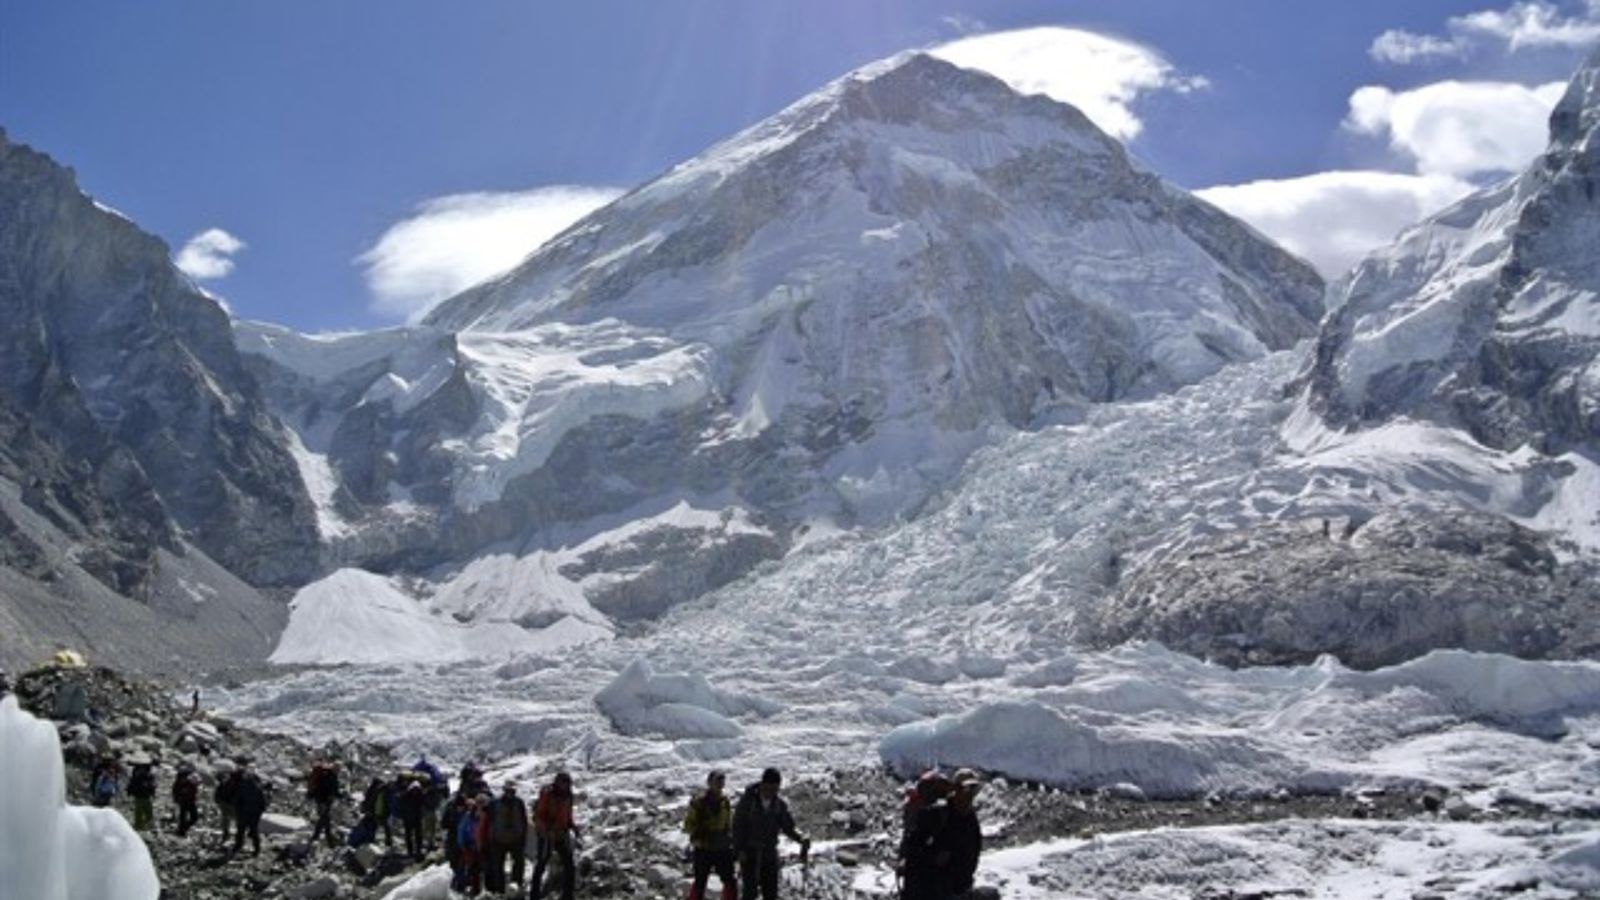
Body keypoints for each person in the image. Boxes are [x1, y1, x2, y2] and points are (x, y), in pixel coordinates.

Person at [731, 768, 810, 900]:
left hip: (769, 854)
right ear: (762, 784)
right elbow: (737, 826)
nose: (772, 792)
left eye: (775, 789)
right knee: (750, 892)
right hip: (750, 854)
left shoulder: (779, 805)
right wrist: (739, 850)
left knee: (771, 892)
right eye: (769, 788)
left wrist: (801, 838)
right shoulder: (748, 802)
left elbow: (788, 827)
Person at [684, 769, 736, 900]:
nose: (720, 783)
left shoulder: (725, 802)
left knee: (729, 880)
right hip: (704, 846)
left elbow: (728, 824)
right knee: (701, 882)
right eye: (717, 780)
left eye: (722, 780)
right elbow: (688, 824)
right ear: (709, 783)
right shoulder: (699, 803)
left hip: (722, 846)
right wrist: (697, 838)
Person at [530, 772, 578, 900]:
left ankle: (568, 895)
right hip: (547, 835)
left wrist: (572, 826)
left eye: (567, 783)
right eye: (564, 783)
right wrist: (545, 830)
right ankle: (534, 895)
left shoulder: (568, 796)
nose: (566, 786)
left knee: (569, 865)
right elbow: (539, 815)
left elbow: (568, 815)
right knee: (541, 864)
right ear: (557, 782)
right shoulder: (548, 795)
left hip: (561, 834)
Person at [945, 770, 984, 899]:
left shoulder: (970, 816)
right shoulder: (942, 814)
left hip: (963, 886)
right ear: (956, 789)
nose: (970, 794)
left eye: (973, 789)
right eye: (967, 788)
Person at [486, 781, 529, 893]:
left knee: (519, 863)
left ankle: (516, 886)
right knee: (498, 866)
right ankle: (499, 890)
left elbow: (523, 821)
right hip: (498, 839)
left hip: (515, 839)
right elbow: (489, 821)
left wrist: (523, 836)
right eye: (509, 790)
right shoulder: (494, 803)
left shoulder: (519, 803)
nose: (511, 793)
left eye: (512, 791)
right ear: (504, 791)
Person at [232, 763, 269, 856]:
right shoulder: (258, 788)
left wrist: (238, 812)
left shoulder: (242, 787)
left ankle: (238, 846)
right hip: (254, 814)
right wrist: (259, 813)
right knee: (254, 832)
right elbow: (263, 803)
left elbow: (237, 801)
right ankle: (257, 849)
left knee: (240, 831)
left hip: (244, 813)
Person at [454, 795, 486, 896]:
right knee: (466, 867)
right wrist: (462, 845)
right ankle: (460, 887)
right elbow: (461, 830)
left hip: (480, 846)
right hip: (469, 845)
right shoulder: (468, 816)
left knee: (477, 869)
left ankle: (476, 890)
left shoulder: (485, 815)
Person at [307, 760, 342, 847]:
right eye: (337, 768)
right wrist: (322, 802)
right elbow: (324, 790)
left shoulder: (331, 776)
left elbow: (334, 791)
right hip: (323, 802)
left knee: (324, 820)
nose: (338, 770)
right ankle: (327, 840)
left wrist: (340, 795)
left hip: (324, 802)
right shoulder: (329, 777)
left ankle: (319, 838)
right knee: (325, 819)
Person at [399, 777, 428, 861]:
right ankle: (417, 850)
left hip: (409, 818)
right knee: (417, 835)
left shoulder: (406, 795)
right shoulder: (420, 795)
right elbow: (425, 804)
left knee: (409, 835)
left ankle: (411, 851)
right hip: (416, 818)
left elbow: (402, 806)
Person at [127, 756, 158, 832]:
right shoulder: (144, 775)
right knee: (145, 810)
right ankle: (143, 825)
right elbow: (151, 785)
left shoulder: (141, 774)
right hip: (142, 795)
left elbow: (132, 784)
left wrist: (130, 792)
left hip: (141, 795)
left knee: (141, 811)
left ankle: (141, 825)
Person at [361, 777, 393, 847]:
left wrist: (367, 809)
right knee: (385, 827)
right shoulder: (383, 791)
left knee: (375, 826)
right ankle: (387, 842)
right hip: (380, 812)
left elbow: (369, 800)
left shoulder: (375, 789)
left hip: (376, 811)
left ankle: (370, 840)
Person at [172, 764, 201, 837]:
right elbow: (175, 791)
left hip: (190, 800)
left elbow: (196, 787)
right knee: (187, 817)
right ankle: (182, 831)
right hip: (185, 801)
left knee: (192, 817)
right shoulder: (180, 782)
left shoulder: (190, 781)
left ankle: (182, 829)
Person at [214, 764, 240, 847]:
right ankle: (230, 835)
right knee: (230, 820)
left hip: (227, 803)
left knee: (229, 819)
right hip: (228, 804)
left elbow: (219, 790)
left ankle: (231, 835)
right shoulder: (224, 784)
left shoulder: (230, 783)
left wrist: (218, 800)